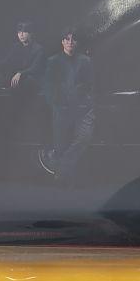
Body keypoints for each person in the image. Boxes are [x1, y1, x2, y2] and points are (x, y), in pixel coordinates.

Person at [38, 28, 94, 179]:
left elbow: (90, 84)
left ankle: (59, 166)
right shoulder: (53, 61)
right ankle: (65, 177)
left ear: (77, 43)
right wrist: (56, 103)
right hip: (61, 108)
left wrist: (84, 99)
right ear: (62, 42)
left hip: (82, 108)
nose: (70, 42)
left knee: (84, 137)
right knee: (61, 143)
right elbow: (48, 86)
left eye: (73, 39)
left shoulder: (85, 61)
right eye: (67, 39)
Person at [0, 20, 46, 166]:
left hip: (33, 82)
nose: (21, 35)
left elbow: (36, 68)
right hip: (18, 82)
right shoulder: (15, 47)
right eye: (19, 32)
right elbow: (6, 62)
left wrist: (20, 73)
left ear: (31, 33)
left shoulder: (39, 49)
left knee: (26, 80)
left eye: (24, 31)